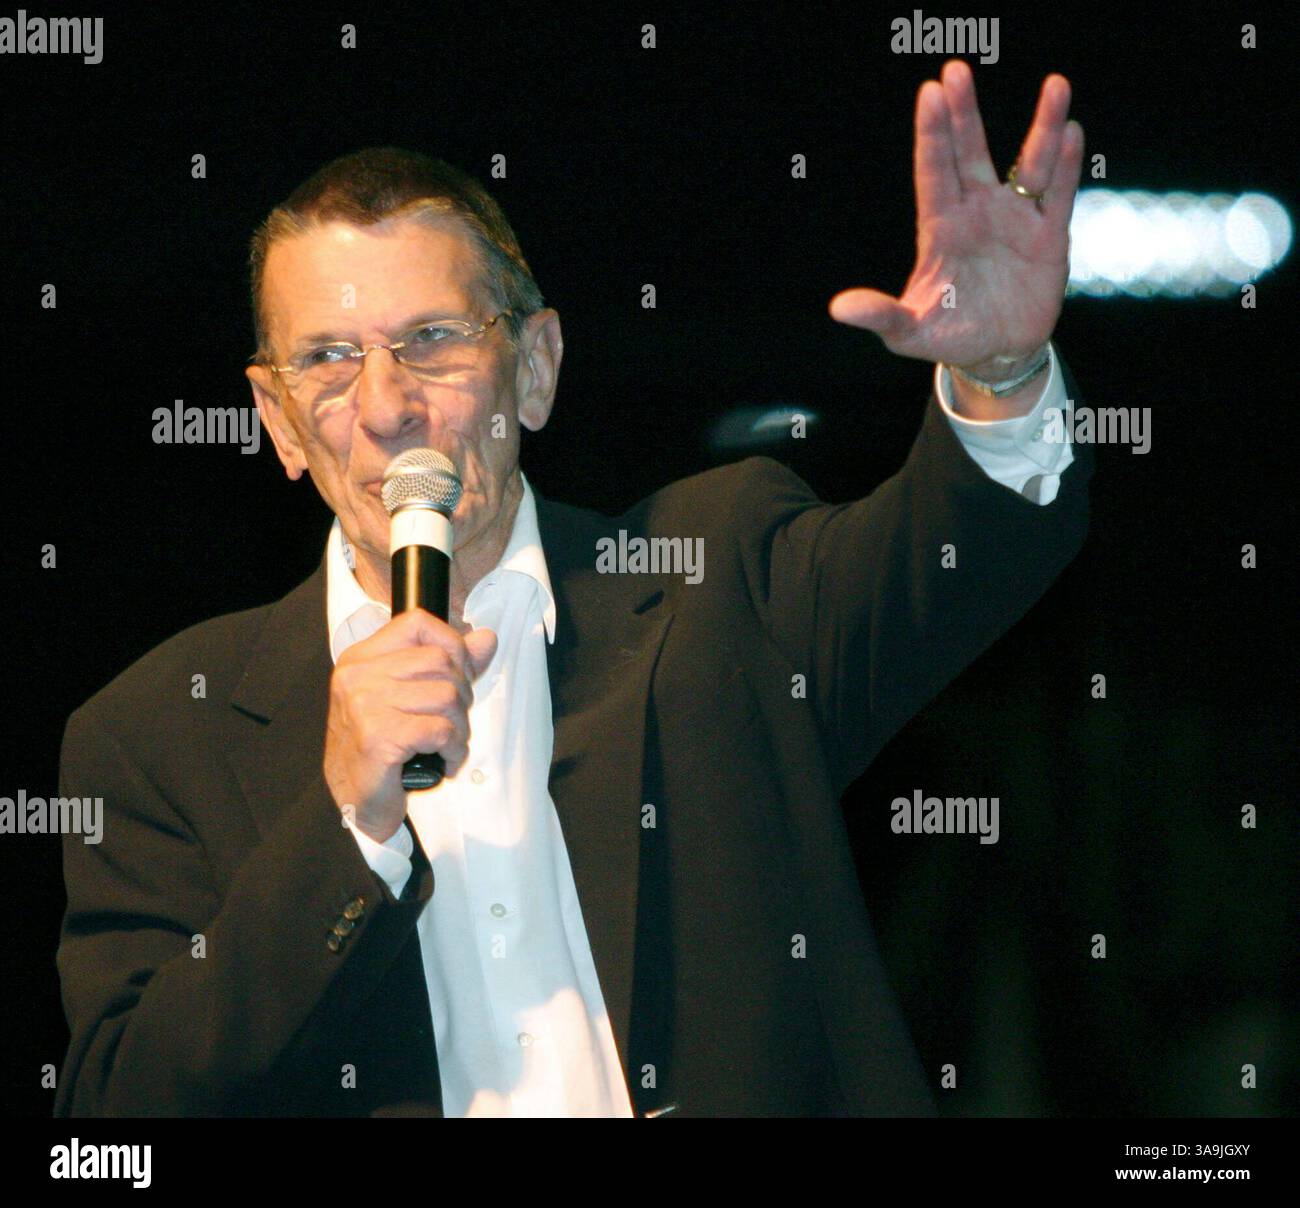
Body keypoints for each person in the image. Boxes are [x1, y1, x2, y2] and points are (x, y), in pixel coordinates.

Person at [54, 59, 1091, 1117]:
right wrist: (345, 824)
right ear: (274, 421)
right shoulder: (153, 737)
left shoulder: (715, 575)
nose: (385, 405)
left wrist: (1000, 373)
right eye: (327, 357)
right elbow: (114, 1116)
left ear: (536, 369)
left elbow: (951, 561)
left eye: (432, 340)